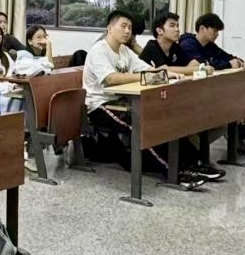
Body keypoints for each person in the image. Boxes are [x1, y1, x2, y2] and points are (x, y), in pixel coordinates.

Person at [83, 10, 215, 188]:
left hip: (124, 101)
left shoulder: (124, 50)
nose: (127, 31)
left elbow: (147, 69)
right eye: (123, 26)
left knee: (162, 118)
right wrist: (145, 77)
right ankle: (175, 172)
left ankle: (194, 163)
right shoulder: (99, 50)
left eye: (130, 27)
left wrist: (168, 75)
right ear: (110, 28)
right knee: (141, 126)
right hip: (99, 105)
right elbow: (111, 78)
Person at [140, 12, 214, 75]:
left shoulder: (175, 47)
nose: (177, 29)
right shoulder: (151, 47)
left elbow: (195, 62)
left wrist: (187, 70)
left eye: (177, 26)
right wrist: (199, 69)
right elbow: (164, 70)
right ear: (159, 31)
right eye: (172, 26)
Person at [178, 13, 245, 70]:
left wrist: (238, 61)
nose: (217, 34)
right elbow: (202, 63)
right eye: (215, 31)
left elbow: (226, 57)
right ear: (202, 28)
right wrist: (228, 64)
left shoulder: (210, 45)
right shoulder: (187, 44)